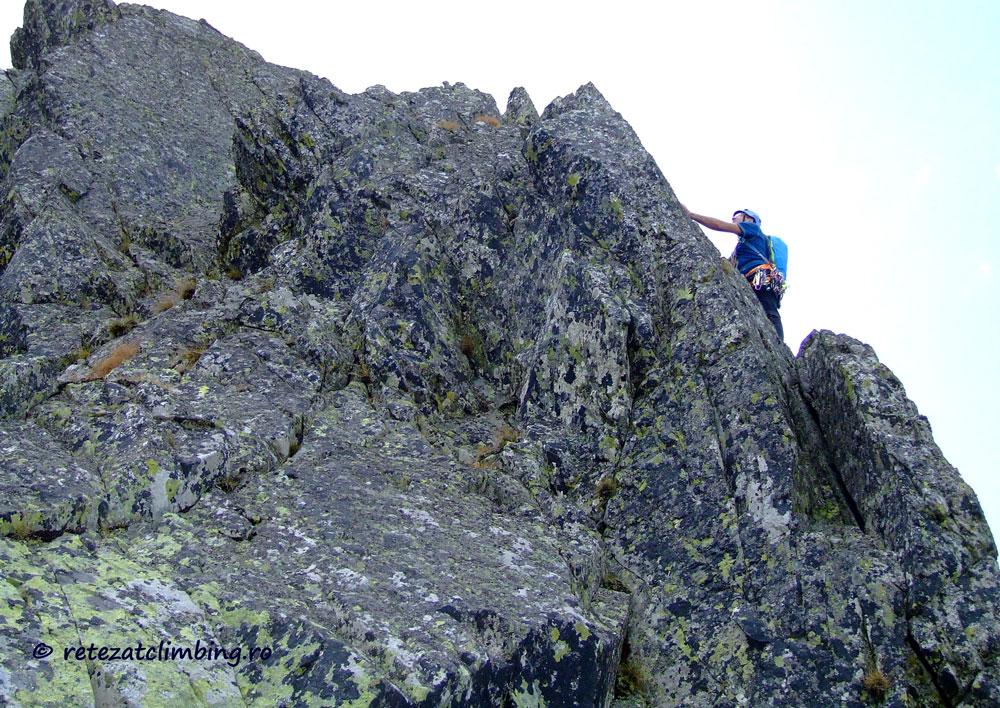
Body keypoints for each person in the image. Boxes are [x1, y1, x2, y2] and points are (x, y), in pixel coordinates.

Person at [682, 206, 784, 339]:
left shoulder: (753, 229)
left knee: (769, 311)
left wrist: (692, 215)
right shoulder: (742, 247)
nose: (733, 219)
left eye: (738, 215)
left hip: (760, 278)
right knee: (766, 312)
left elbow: (719, 225)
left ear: (749, 219)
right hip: (752, 281)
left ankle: (779, 344)